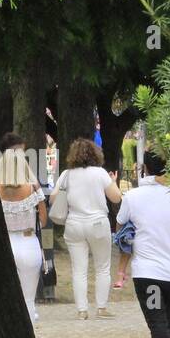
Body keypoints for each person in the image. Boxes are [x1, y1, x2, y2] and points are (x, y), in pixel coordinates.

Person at [115, 148, 170, 338]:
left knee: (158, 322)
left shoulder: (133, 197)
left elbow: (120, 227)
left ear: (144, 168)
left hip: (148, 272)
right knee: (165, 320)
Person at [55, 137, 121, 319]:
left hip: (74, 224)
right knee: (102, 267)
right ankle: (101, 308)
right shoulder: (100, 173)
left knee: (79, 269)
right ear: (95, 154)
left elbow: (53, 198)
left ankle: (82, 310)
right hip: (98, 223)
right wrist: (113, 181)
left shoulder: (66, 175)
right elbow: (116, 198)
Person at [0, 146, 46, 332]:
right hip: (28, 242)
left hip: (5, 244)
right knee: (28, 299)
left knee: (3, 298)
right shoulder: (32, 187)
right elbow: (43, 218)